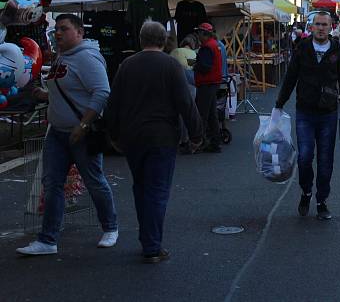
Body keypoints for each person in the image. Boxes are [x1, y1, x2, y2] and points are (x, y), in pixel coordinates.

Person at [17, 14, 118, 256]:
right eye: (57, 30)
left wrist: (83, 126)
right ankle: (47, 240)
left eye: (64, 29)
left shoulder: (87, 58)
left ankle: (110, 227)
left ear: (80, 32)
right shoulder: (63, 56)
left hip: (79, 134)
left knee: (95, 182)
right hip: (57, 133)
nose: (58, 34)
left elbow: (102, 92)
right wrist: (42, 94)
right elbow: (66, 90)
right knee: (52, 185)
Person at [104, 22, 203, 263]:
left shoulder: (127, 65)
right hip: (162, 136)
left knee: (140, 187)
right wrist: (197, 134)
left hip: (132, 136)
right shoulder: (171, 65)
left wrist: (112, 135)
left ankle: (146, 237)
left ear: (141, 39)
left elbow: (113, 102)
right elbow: (185, 103)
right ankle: (152, 245)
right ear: (164, 40)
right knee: (157, 190)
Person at [275, 11, 340, 221]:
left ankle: (321, 201)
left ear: (331, 27)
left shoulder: (338, 50)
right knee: (304, 158)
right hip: (305, 112)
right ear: (311, 27)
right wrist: (279, 104)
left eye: (324, 25)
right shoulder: (302, 48)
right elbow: (291, 77)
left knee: (325, 161)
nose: (321, 28)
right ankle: (306, 193)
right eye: (317, 24)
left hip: (328, 113)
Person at [193, 22, 223, 153]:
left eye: (199, 32)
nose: (197, 35)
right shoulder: (215, 45)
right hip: (213, 82)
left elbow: (205, 67)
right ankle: (215, 142)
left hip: (206, 83)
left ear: (204, 34)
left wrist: (195, 65)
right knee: (211, 114)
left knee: (202, 114)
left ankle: (200, 142)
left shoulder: (207, 47)